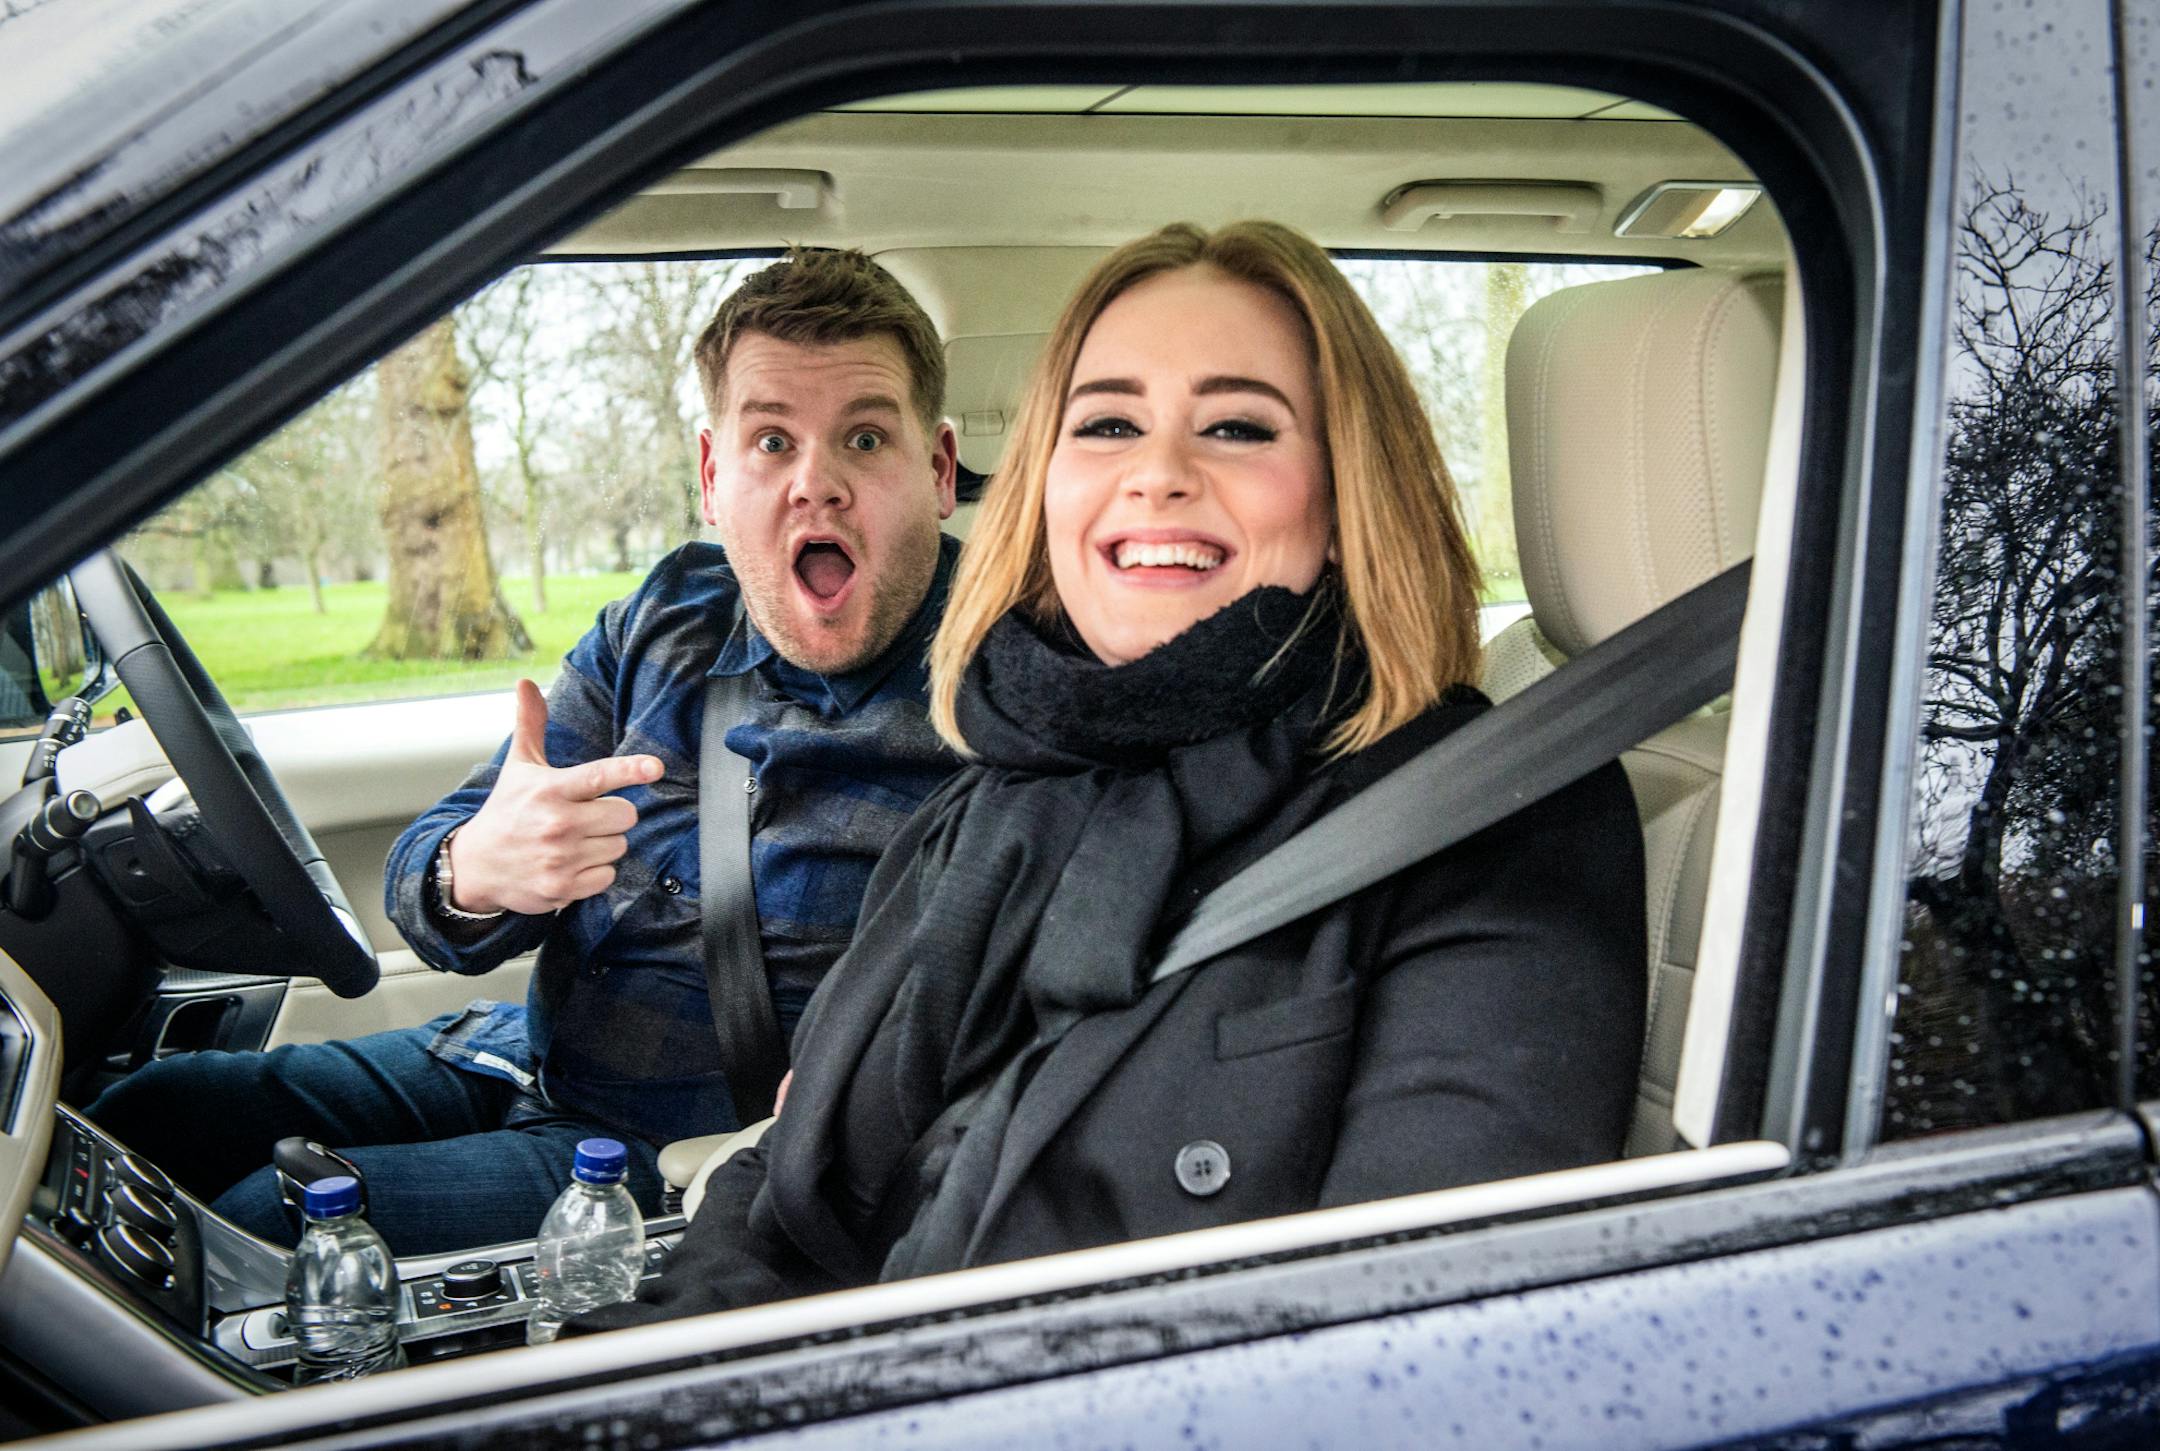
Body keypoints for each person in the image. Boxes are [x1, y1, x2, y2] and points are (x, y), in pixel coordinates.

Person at [570, 220, 1648, 1331]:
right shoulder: (988, 802)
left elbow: (1404, 1353)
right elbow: (782, 1197)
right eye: (1109, 423)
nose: (1158, 474)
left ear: (1342, 492)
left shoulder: (1492, 821)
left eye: (1236, 426)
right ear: (1047, 485)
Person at [85, 248, 965, 1254]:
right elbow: (440, 860)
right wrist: (480, 872)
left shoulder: (1006, 698)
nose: (818, 484)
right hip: (521, 1055)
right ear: (715, 476)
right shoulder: (669, 615)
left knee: (264, 1229)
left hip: (688, 1157)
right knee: (146, 1112)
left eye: (864, 436)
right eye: (772, 439)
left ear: (936, 470)